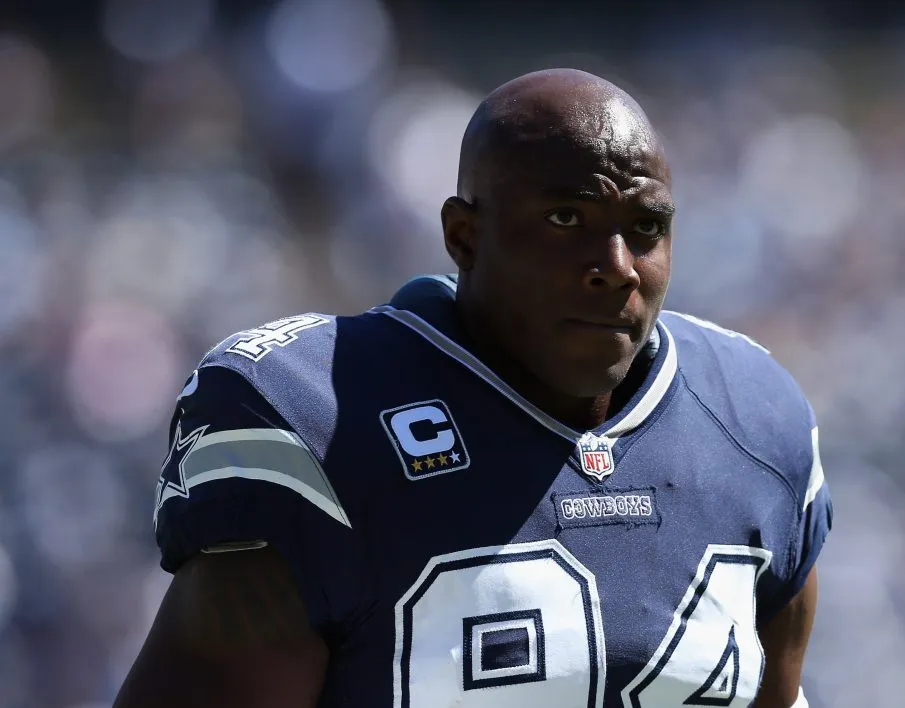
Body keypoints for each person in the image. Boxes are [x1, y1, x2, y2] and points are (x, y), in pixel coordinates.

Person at [114, 68, 832, 708]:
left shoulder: (753, 424)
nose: (616, 266)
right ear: (463, 237)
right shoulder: (324, 418)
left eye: (644, 227)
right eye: (566, 220)